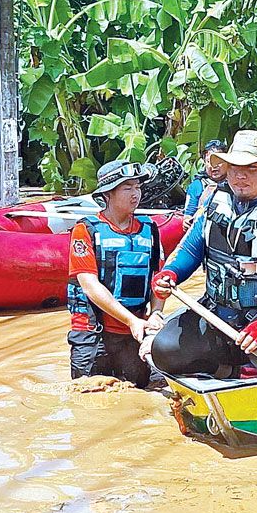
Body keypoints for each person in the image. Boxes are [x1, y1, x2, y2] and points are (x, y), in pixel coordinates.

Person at [150, 130, 257, 378]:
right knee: (164, 350)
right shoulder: (215, 202)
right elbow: (190, 248)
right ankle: (228, 371)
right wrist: (169, 274)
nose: (240, 175)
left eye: (252, 168)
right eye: (233, 167)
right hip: (217, 314)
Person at [67, 160, 166, 389]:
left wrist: (157, 313)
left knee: (138, 386)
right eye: (127, 188)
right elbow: (90, 286)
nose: (136, 194)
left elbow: (158, 278)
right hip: (94, 330)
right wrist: (131, 320)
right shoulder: (86, 230)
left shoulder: (150, 230)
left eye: (138, 187)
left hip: (134, 329)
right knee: (89, 392)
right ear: (107, 194)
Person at [181, 139, 229, 229]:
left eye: (219, 162)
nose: (214, 166)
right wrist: (187, 222)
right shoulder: (198, 185)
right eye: (209, 161)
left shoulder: (236, 184)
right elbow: (188, 214)